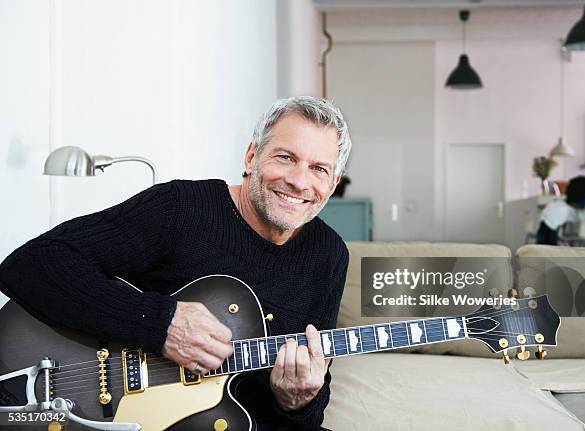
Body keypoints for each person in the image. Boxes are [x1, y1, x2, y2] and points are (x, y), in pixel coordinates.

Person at [0, 96, 352, 430]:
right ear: (251, 157)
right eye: (285, 157)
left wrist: (298, 402)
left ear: (333, 183)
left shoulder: (330, 255)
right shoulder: (181, 208)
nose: (299, 180)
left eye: (319, 168)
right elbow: (32, 264)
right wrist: (161, 323)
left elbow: (309, 410)